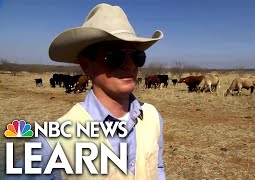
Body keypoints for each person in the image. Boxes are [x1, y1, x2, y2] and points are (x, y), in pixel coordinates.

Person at [6, 3, 165, 180]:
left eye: (136, 56)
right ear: (86, 65)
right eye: (115, 57)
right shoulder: (53, 144)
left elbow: (157, 168)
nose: (129, 65)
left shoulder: (152, 118)